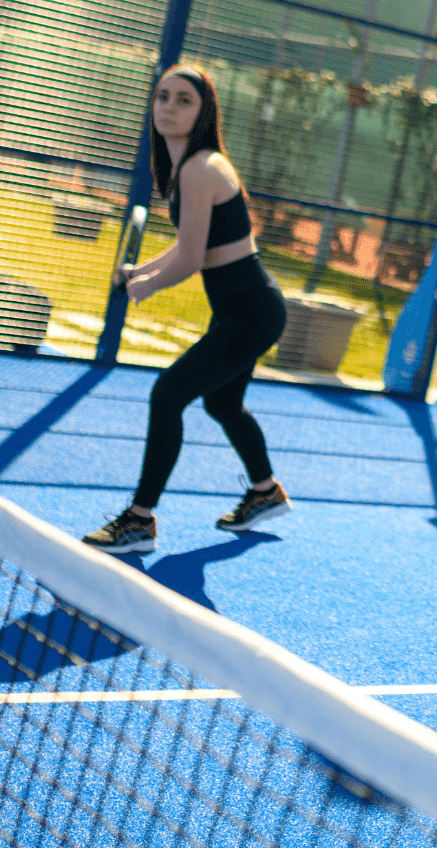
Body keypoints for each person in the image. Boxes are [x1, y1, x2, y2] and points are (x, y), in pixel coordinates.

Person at [84, 65, 292, 553]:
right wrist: (141, 272)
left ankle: (139, 521)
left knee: (167, 396)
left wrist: (146, 288)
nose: (169, 107)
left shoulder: (200, 169)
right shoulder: (190, 168)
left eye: (183, 100)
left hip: (251, 312)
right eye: (162, 97)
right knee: (221, 403)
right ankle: (266, 492)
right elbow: (185, 248)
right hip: (246, 308)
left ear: (204, 112)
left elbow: (193, 260)